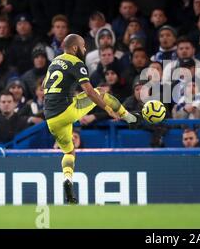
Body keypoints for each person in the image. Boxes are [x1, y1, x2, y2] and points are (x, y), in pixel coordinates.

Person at [43, 34, 139, 204]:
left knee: (68, 152)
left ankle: (68, 181)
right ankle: (131, 118)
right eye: (83, 46)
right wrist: (107, 109)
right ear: (74, 48)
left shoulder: (55, 62)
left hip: (51, 117)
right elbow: (89, 91)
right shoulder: (76, 63)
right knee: (101, 92)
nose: (85, 49)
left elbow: (45, 86)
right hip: (67, 110)